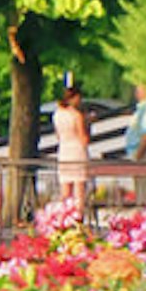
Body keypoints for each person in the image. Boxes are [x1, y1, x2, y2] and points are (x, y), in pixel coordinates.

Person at [56, 80, 95, 219]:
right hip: (77, 151)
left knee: (65, 189)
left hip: (64, 150)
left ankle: (62, 217)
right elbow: (83, 138)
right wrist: (88, 124)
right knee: (79, 189)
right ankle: (78, 218)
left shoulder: (58, 114)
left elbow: (58, 135)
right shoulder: (76, 115)